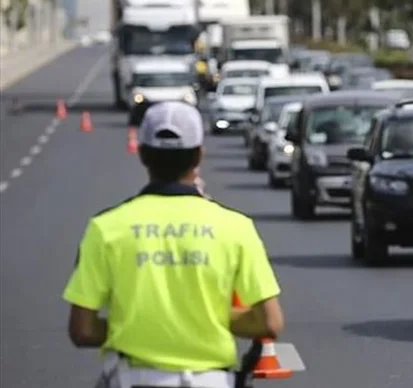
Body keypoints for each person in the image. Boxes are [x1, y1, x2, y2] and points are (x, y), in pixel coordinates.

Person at [62, 101, 284, 388]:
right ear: (199, 155)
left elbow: (82, 330)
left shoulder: (105, 228)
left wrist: (137, 326)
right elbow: (269, 322)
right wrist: (205, 318)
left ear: (142, 154)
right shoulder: (236, 227)